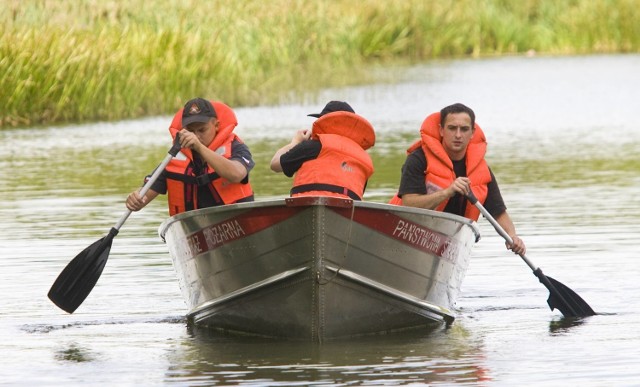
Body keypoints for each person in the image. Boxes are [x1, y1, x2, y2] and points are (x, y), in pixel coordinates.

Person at [389, 103, 526, 255]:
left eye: (464, 129)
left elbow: (498, 212)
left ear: (473, 132)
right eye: (452, 128)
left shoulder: (480, 170)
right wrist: (447, 192)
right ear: (441, 130)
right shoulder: (418, 159)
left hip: (449, 244)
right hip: (406, 233)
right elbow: (409, 204)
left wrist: (512, 236)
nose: (458, 135)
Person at [126, 97, 254, 216]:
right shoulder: (175, 158)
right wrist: (136, 200)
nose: (196, 136)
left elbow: (237, 174)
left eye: (202, 130)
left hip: (236, 217)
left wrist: (199, 147)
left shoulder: (236, 147)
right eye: (191, 131)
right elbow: (144, 196)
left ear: (216, 125)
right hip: (193, 226)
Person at [270, 101, 375, 200]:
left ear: (326, 122)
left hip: (305, 207)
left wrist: (295, 142)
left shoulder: (314, 146)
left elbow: (275, 164)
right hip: (346, 214)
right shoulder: (364, 160)